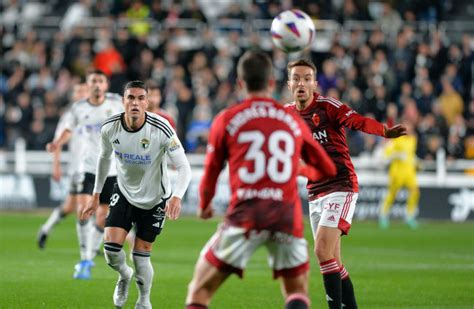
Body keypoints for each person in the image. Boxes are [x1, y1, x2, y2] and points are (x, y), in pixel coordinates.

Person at [185, 51, 337, 309]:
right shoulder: (291, 120)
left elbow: (211, 171)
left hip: (245, 216)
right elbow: (326, 168)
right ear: (271, 83)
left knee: (199, 292)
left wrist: (205, 204)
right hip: (285, 217)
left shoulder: (227, 118)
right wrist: (300, 171)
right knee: (297, 292)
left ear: (240, 83)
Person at [285, 58, 406, 309]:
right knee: (331, 261)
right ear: (289, 84)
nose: (301, 83)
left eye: (307, 78)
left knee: (320, 251)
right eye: (296, 78)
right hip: (315, 193)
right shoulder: (286, 115)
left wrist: (384, 131)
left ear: (315, 83)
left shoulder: (328, 106)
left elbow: (358, 121)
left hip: (341, 186)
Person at [81, 80, 191, 309]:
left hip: (155, 199)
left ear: (147, 102)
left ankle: (143, 300)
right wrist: (96, 194)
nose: (135, 102)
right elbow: (103, 159)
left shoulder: (161, 128)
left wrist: (177, 196)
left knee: (141, 257)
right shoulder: (110, 127)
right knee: (111, 251)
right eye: (130, 97)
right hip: (124, 192)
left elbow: (184, 167)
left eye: (141, 98)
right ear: (123, 101)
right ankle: (123, 275)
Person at [46, 70, 123, 279]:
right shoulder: (79, 108)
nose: (97, 84)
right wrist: (57, 143)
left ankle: (89, 256)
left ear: (106, 85)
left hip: (113, 170)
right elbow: (68, 130)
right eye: (93, 81)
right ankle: (84, 259)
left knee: (103, 216)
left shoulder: (117, 103)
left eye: (100, 81)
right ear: (88, 86)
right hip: (89, 167)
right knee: (82, 209)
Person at [37, 83, 88, 249]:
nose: (81, 94)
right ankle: (87, 250)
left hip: (95, 167)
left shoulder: (96, 113)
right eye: (78, 91)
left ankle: (45, 229)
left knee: (68, 207)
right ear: (74, 95)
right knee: (90, 208)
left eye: (83, 91)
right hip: (79, 169)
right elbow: (57, 142)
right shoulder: (70, 115)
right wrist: (56, 166)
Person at [379, 120, 420, 229]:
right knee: (392, 194)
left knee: (415, 191)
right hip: (397, 172)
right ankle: (383, 215)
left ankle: (409, 216)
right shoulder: (396, 138)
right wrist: (397, 155)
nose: (409, 130)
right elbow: (387, 153)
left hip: (409, 172)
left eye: (410, 127)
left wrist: (417, 162)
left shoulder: (413, 139)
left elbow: (411, 154)